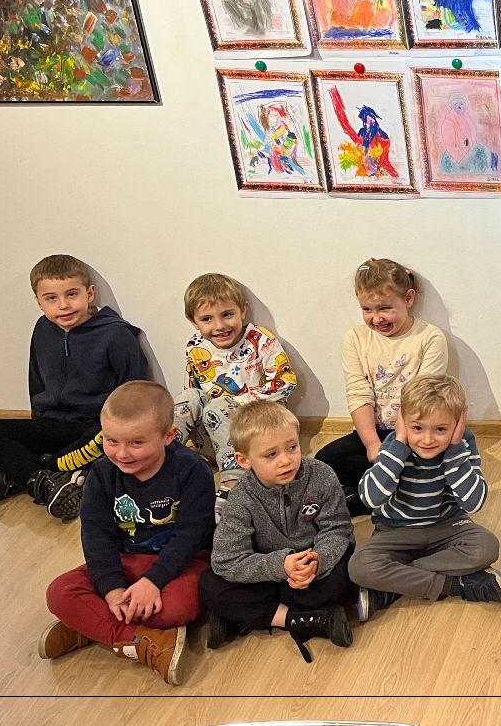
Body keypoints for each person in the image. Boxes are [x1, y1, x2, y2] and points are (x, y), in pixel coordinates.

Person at [38, 382, 214, 685]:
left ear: (169, 435)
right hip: (125, 561)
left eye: (136, 443)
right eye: (111, 440)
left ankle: (88, 627)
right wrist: (112, 590)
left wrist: (153, 581)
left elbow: (192, 535)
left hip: (181, 564)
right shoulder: (101, 473)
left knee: (177, 607)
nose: (122, 453)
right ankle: (135, 640)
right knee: (59, 592)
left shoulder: (192, 470)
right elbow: (96, 536)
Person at [0, 254, 147, 520]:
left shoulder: (116, 334)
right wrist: (36, 426)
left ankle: (22, 472)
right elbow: (36, 380)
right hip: (54, 425)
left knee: (103, 441)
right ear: (38, 302)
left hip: (94, 428)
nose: (63, 305)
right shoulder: (42, 328)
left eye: (72, 294)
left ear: (89, 293)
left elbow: (135, 392)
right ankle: (44, 480)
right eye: (51, 298)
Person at [200, 402, 355, 660]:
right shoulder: (240, 499)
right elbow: (226, 560)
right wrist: (280, 566)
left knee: (346, 573)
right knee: (210, 586)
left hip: (309, 568)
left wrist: (318, 561)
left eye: (292, 447)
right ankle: (302, 619)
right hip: (268, 571)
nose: (285, 460)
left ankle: (245, 616)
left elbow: (338, 528)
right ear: (243, 460)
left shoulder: (322, 475)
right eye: (271, 454)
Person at [348, 375, 501, 619]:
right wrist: (399, 445)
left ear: (459, 422)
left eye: (441, 429)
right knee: (360, 567)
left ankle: (394, 587)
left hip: (448, 526)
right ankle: (458, 585)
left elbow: (474, 503)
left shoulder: (463, 443)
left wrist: (454, 450)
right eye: (417, 428)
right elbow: (370, 499)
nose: (427, 440)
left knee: (487, 546)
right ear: (402, 420)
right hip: (395, 531)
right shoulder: (395, 445)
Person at [316, 260, 448, 516]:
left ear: (408, 298)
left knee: (427, 464)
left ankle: (374, 496)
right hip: (373, 432)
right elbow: (358, 392)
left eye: (385, 308)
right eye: (367, 309)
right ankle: (395, 495)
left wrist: (396, 448)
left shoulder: (430, 338)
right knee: (325, 462)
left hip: (414, 432)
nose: (376, 318)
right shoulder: (355, 338)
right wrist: (372, 444)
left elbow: (420, 400)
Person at [171, 273, 297, 512]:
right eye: (207, 319)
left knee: (220, 405)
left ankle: (234, 484)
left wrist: (235, 402)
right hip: (212, 439)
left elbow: (286, 382)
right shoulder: (195, 346)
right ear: (193, 321)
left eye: (227, 314)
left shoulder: (259, 340)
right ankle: (163, 458)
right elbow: (194, 389)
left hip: (256, 435)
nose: (219, 326)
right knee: (188, 397)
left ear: (243, 310)